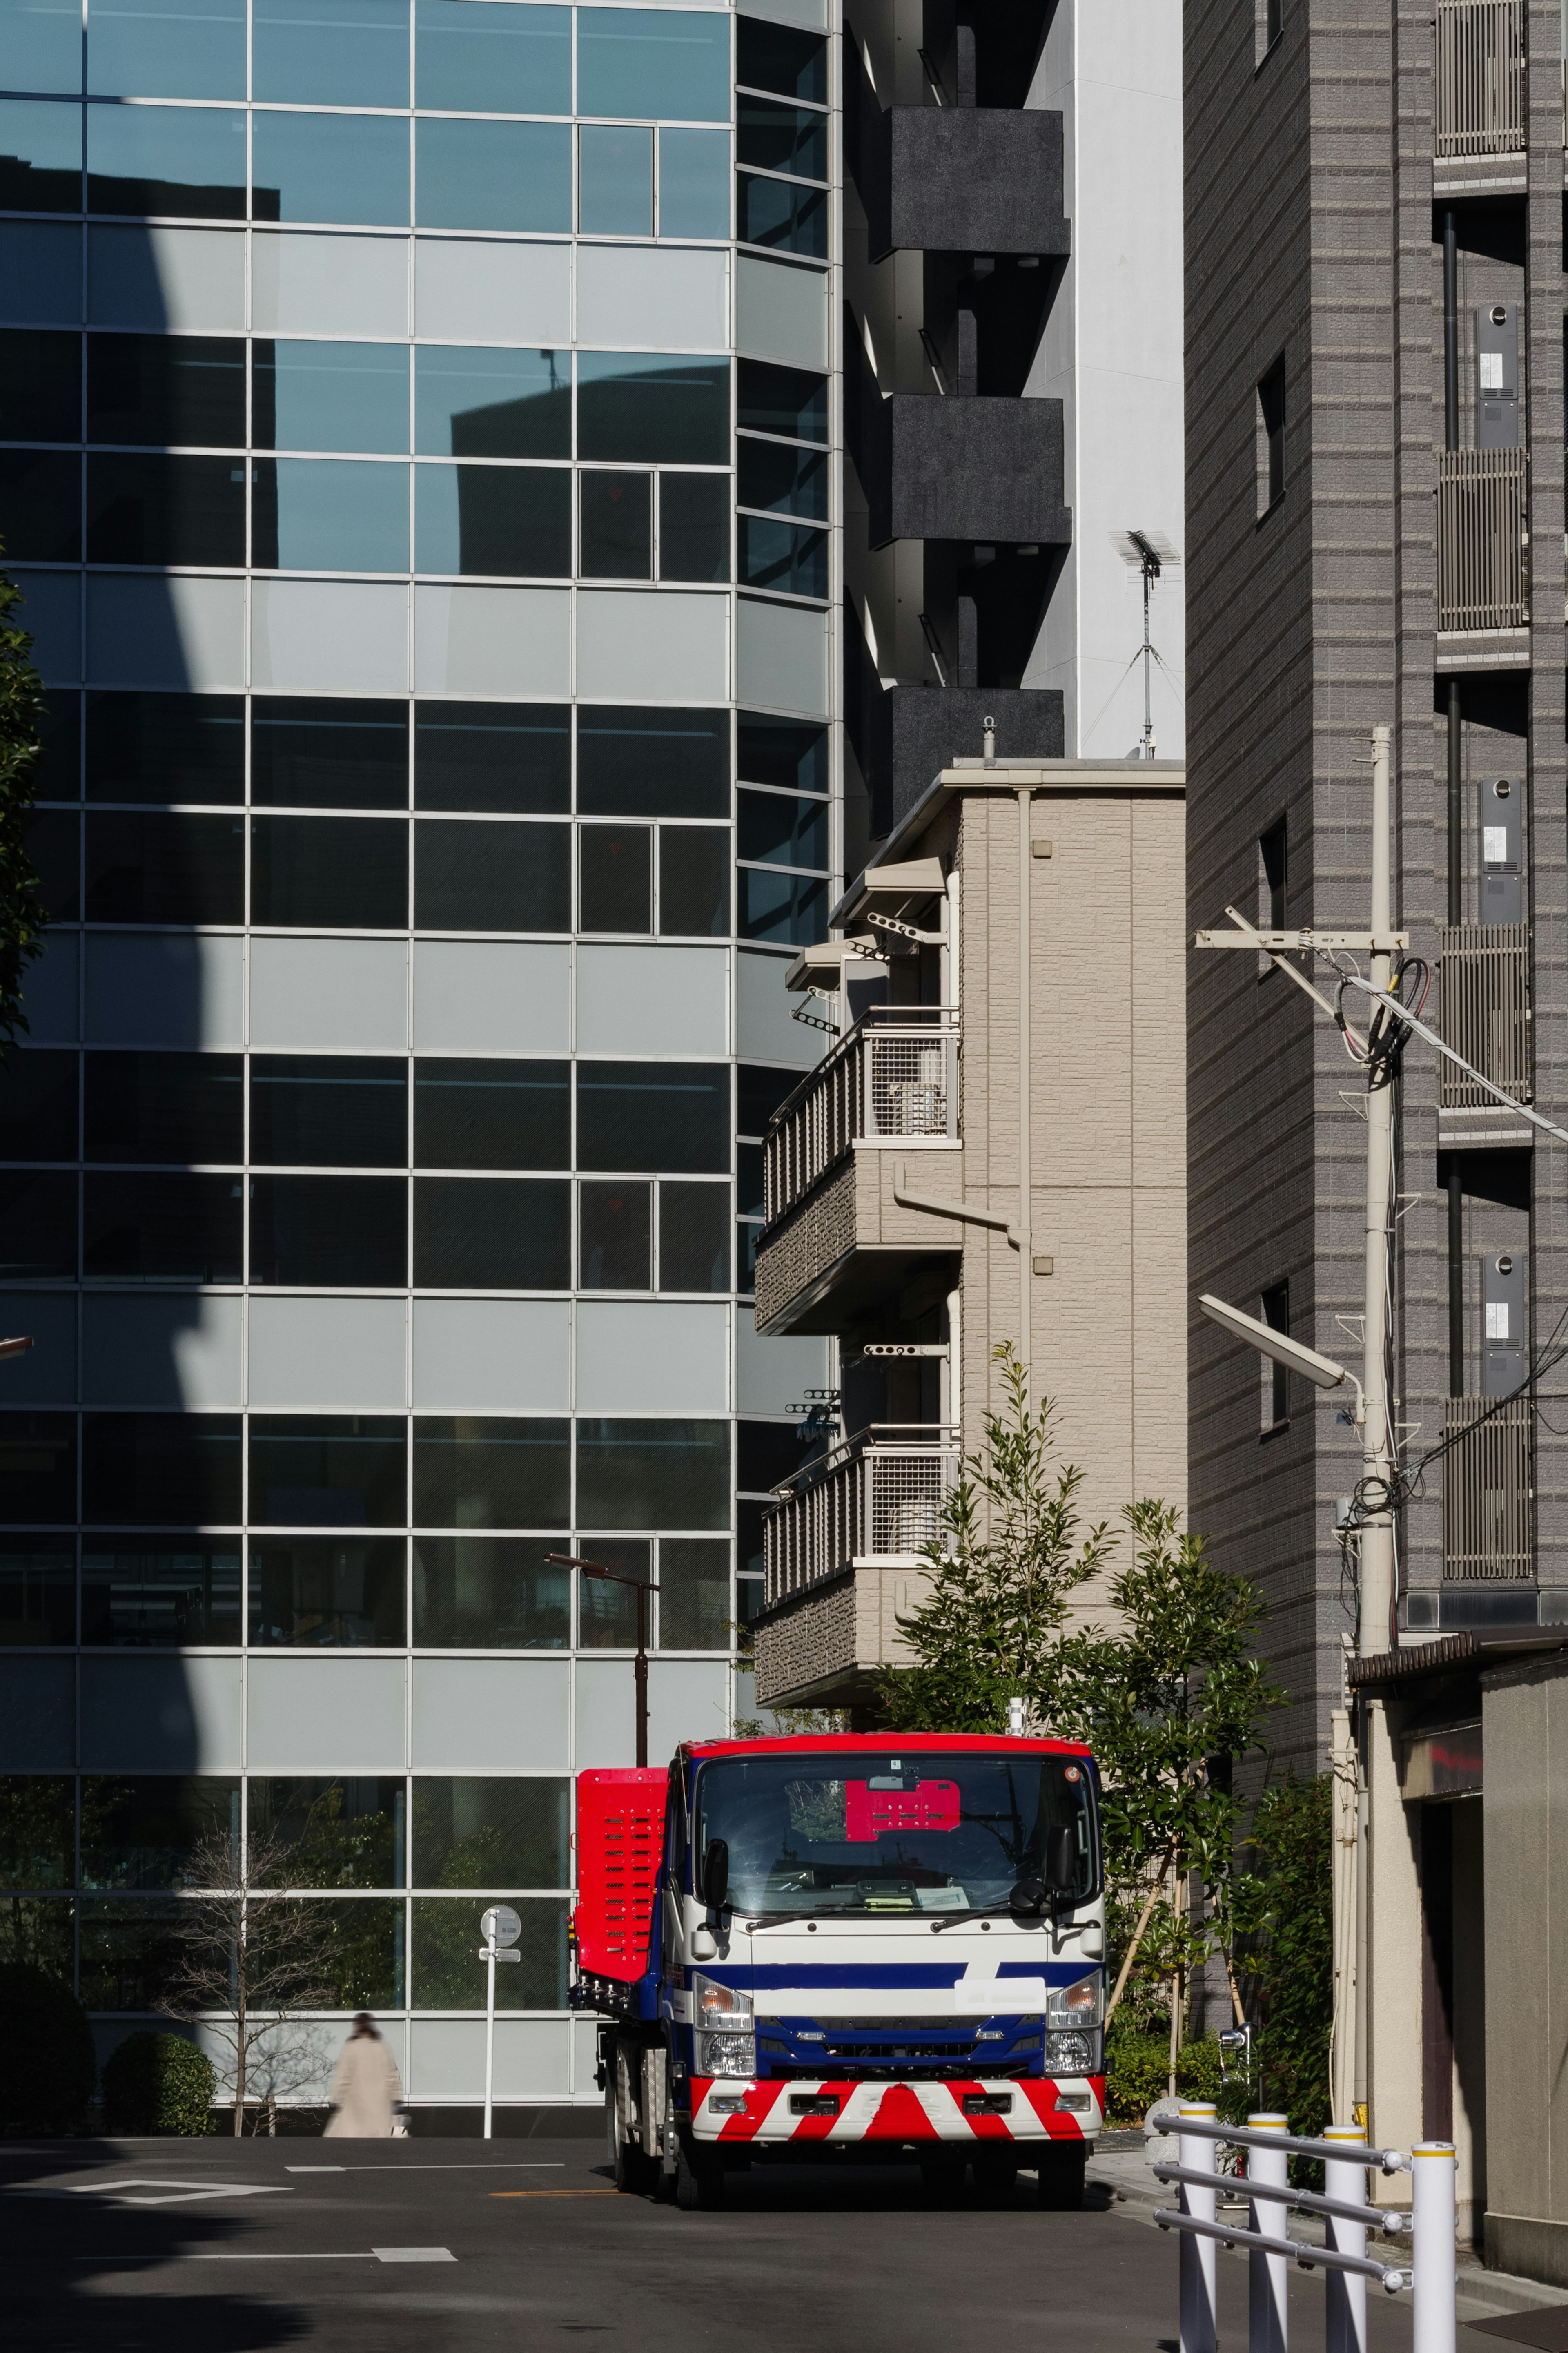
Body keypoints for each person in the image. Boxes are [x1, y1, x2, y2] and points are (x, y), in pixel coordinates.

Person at [324, 2012, 403, 2138]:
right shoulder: (382, 2047)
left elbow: (343, 2077)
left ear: (356, 2026)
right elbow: (392, 2076)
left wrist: (335, 2099)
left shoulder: (351, 2047)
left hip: (357, 2105)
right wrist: (397, 2097)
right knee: (379, 2144)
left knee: (352, 2145)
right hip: (380, 2106)